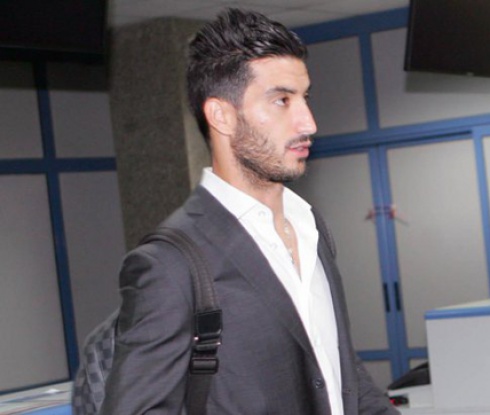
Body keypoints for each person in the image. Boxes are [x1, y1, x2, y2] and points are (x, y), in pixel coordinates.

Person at [100, 8, 399, 415]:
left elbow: (340, 372)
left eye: (305, 98)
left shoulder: (309, 227)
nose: (308, 123)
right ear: (221, 115)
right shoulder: (170, 262)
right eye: (282, 100)